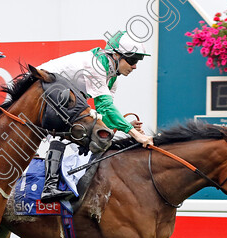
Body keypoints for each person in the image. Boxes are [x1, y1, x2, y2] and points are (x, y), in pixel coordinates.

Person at [37, 30, 155, 202]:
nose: (135, 66)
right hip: (42, 87)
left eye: (138, 61)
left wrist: (125, 126)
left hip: (60, 94)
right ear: (115, 55)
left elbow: (104, 115)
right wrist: (135, 134)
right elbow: (106, 107)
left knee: (89, 129)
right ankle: (50, 186)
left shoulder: (112, 77)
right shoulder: (97, 66)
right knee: (68, 125)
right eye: (132, 60)